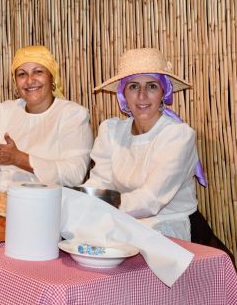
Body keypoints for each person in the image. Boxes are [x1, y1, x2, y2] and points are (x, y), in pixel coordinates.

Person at [82, 48, 209, 241]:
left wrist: (100, 203)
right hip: (120, 220)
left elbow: (151, 200)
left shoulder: (177, 136)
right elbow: (100, 182)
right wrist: (85, 200)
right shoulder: (112, 131)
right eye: (133, 87)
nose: (142, 96)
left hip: (168, 226)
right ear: (123, 93)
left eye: (151, 86)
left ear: (163, 92)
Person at [0, 45, 93, 189]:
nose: (30, 80)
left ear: (52, 77)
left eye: (38, 72)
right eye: (22, 74)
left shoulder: (72, 115)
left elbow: (74, 174)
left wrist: (19, 159)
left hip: (51, 205)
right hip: (1, 201)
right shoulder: (3, 112)